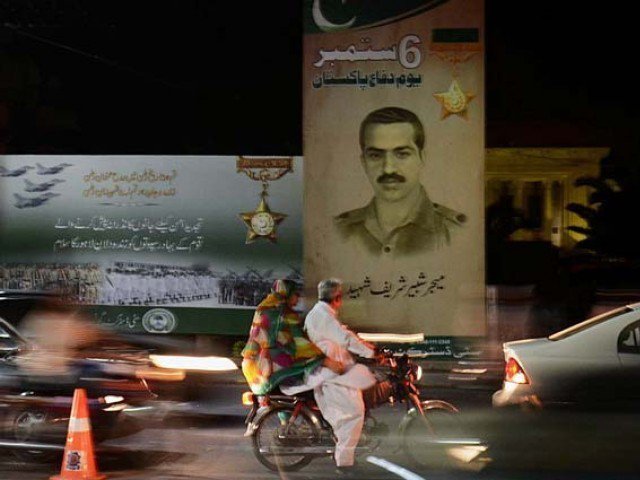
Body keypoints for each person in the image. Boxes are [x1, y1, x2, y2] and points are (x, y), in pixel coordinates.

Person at [334, 106, 467, 256]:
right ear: (363, 162)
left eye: (402, 154)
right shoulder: (338, 231)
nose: (388, 169)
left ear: (422, 158)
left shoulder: (457, 233)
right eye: (376, 156)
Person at [282, 278, 376, 472]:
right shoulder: (322, 317)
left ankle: (345, 451)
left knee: (361, 388)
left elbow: (345, 333)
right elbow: (345, 339)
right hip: (329, 374)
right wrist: (371, 353)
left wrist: (369, 346)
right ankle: (344, 463)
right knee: (353, 414)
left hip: (334, 370)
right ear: (337, 297)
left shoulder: (323, 315)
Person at [241, 279, 342, 395]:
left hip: (253, 368)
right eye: (296, 294)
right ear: (287, 293)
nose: (298, 298)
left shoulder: (263, 308)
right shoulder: (284, 313)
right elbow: (300, 343)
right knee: (318, 375)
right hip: (266, 372)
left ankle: (288, 411)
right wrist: (325, 360)